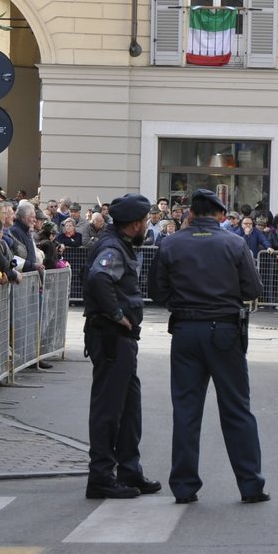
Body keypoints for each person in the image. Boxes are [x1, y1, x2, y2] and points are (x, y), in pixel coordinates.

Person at [151, 189, 267, 505]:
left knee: (186, 410)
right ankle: (250, 485)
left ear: (190, 214)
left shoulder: (170, 243)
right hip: (225, 331)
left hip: (186, 330)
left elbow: (157, 292)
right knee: (236, 409)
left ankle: (185, 487)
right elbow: (253, 288)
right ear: (218, 214)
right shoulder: (234, 243)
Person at [82, 194, 164, 500]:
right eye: (143, 222)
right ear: (135, 224)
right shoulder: (112, 247)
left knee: (129, 409)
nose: (146, 226)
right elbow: (98, 280)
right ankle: (101, 477)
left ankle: (129, 470)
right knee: (108, 409)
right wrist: (118, 315)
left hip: (120, 340)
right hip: (111, 337)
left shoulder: (121, 244)